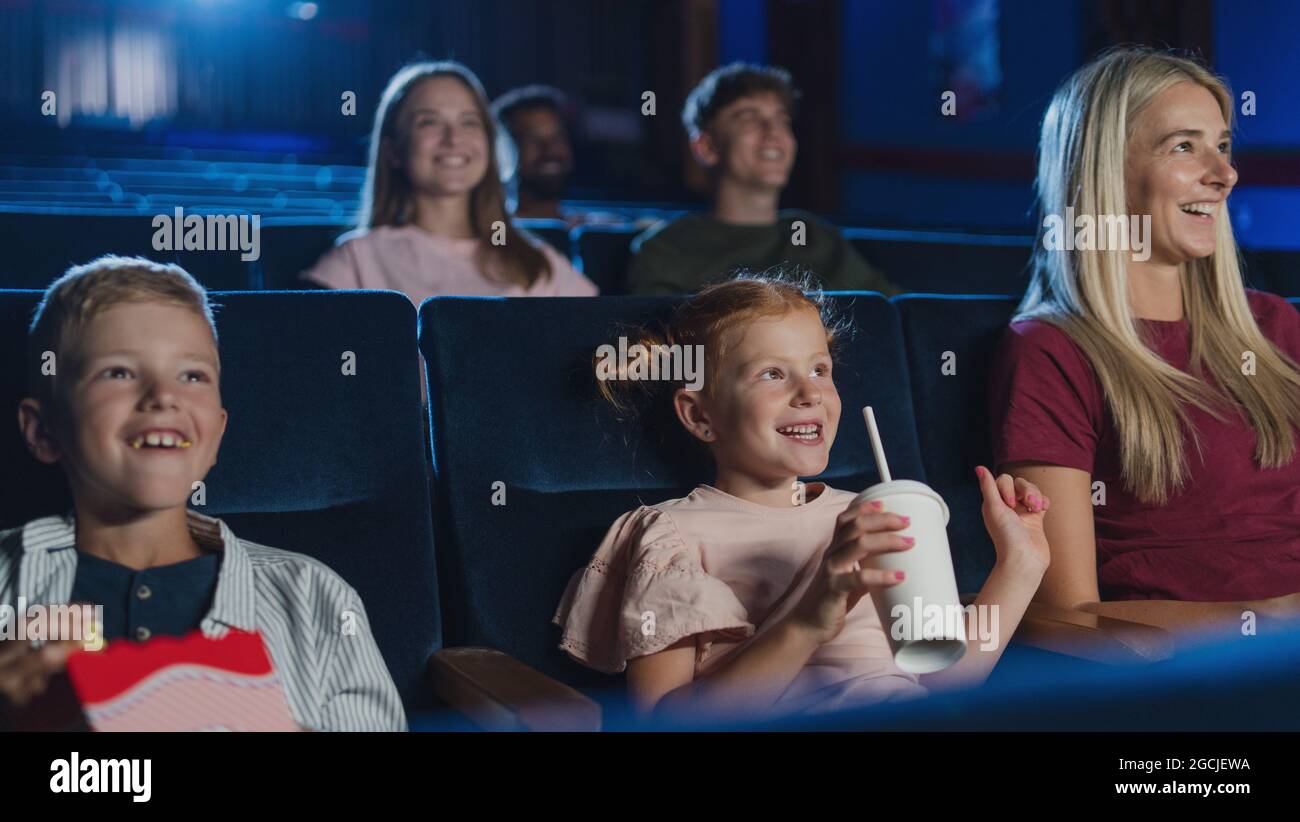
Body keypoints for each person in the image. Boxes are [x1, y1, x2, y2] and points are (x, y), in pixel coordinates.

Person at [553, 272, 1049, 721]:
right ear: (701, 416)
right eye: (772, 373)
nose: (808, 393)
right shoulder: (672, 537)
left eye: (819, 369)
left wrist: (1020, 565)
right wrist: (811, 616)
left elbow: (944, 679)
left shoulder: (871, 518)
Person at [0, 256, 406, 731]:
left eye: (191, 375)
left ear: (214, 435)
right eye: (118, 372)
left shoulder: (316, 598)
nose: (162, 396)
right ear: (43, 431)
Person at [989, 47, 1300, 640]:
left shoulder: (1277, 327)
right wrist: (1273, 621)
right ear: (1106, 170)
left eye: (1223, 145)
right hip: (1215, 674)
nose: (1224, 173)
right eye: (1185, 146)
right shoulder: (1051, 351)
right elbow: (1065, 616)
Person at [302, 62, 597, 300]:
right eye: (429, 122)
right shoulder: (358, 258)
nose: (454, 139)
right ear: (393, 150)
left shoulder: (534, 259)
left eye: (469, 122)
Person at [627, 64, 897, 296]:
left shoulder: (815, 236)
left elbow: (892, 313)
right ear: (706, 147)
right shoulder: (667, 249)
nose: (773, 132)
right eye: (749, 118)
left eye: (781, 120)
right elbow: (660, 347)